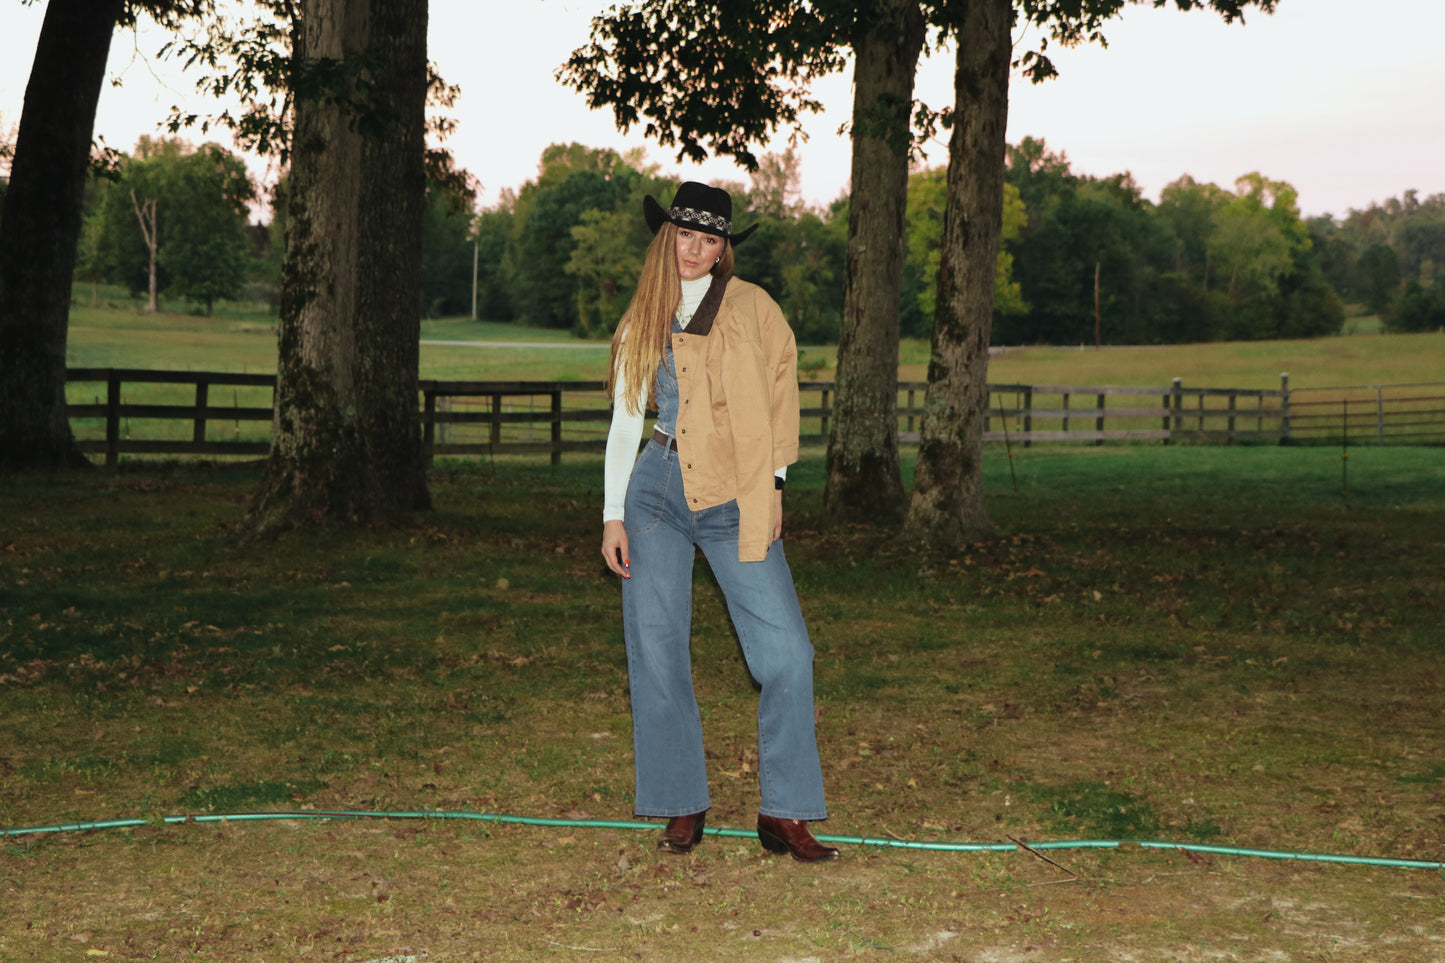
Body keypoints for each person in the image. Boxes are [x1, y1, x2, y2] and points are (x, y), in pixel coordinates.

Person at [600, 182, 837, 863]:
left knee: (787, 651)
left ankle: (784, 811)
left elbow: (782, 392)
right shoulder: (641, 317)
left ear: (723, 247)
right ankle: (681, 800)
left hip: (735, 490)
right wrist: (612, 512)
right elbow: (624, 421)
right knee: (656, 647)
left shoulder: (753, 307)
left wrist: (774, 483)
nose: (695, 250)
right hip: (656, 490)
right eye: (684, 235)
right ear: (665, 236)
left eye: (709, 239)